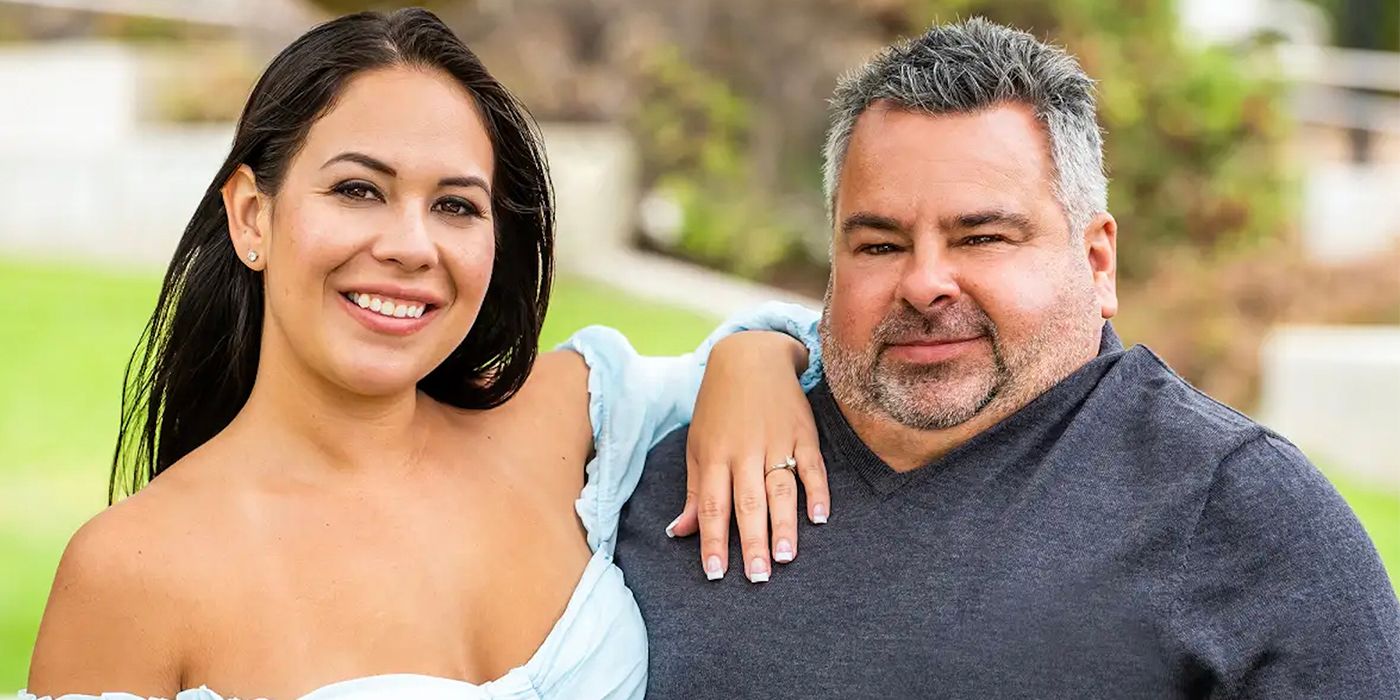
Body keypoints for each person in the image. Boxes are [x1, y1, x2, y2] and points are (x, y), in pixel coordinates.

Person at [23, 9, 826, 700]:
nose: (412, 246)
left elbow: (837, 350)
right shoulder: (135, 570)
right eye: (358, 190)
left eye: (454, 205)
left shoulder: (567, 420)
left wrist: (754, 356)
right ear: (251, 218)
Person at [617, 17, 1400, 697]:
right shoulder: (675, 483)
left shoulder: (1238, 513)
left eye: (982, 237)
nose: (924, 283)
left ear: (1098, 262)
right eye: (880, 244)